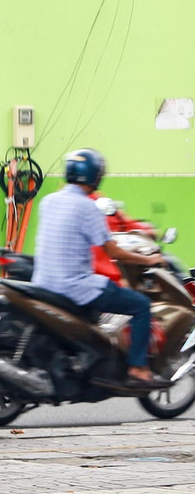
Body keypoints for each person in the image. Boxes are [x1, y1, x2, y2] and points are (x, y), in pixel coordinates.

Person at [32, 148, 167, 389]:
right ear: (95, 176)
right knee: (141, 305)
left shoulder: (48, 201)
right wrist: (150, 260)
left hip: (43, 284)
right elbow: (113, 252)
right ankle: (137, 368)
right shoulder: (88, 207)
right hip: (76, 287)